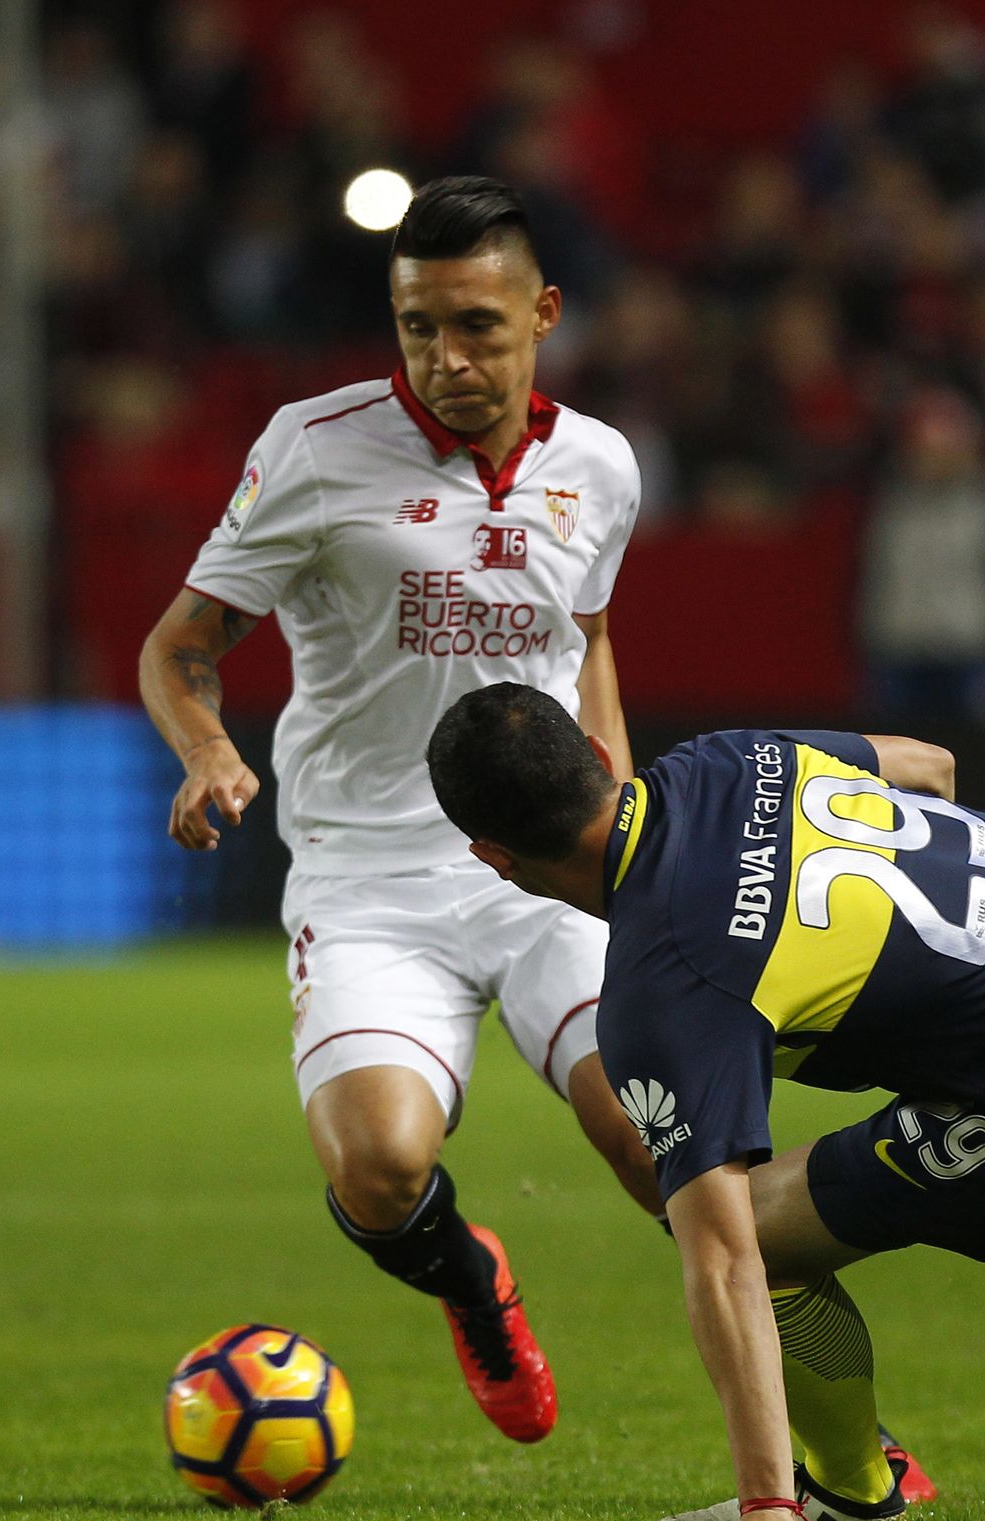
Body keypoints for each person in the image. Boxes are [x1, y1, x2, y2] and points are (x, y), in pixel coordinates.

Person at [426, 684, 985, 1521]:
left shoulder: (663, 988)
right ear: (602, 760)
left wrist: (763, 1501)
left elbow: (726, 1260)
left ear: (493, 857)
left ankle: (846, 1494)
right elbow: (931, 767)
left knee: (762, 1234)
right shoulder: (725, 756)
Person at [138, 176, 663, 1449]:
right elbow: (179, 645)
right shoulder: (313, 447)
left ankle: (839, 1448)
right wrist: (207, 752)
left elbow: (586, 639)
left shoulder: (599, 466)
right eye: (418, 326)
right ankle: (472, 1281)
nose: (445, 358)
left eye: (476, 325)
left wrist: (621, 817)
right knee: (379, 1171)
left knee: (667, 1145)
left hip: (546, 864)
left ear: (543, 313)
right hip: (367, 872)